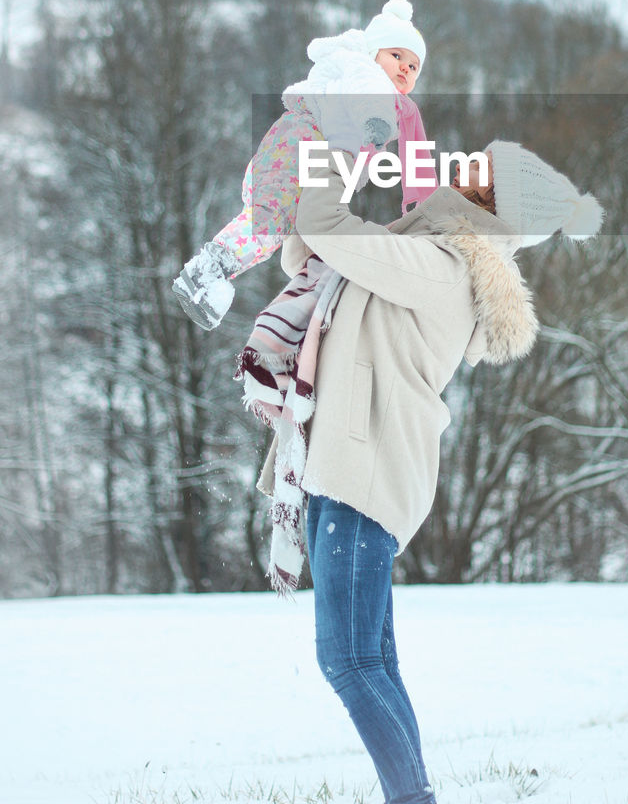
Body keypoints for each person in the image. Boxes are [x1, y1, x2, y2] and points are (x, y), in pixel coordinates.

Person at [241, 135, 603, 804]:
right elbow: (316, 250)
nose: (458, 170)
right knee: (372, 660)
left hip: (364, 474)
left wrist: (334, 149)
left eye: (476, 173)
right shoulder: (422, 254)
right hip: (343, 467)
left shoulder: (440, 267)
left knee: (346, 660)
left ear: (485, 200)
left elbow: (327, 227)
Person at [171, 0, 438, 331]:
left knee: (295, 235)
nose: (404, 68)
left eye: (413, 66)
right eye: (396, 56)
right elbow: (367, 97)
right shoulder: (364, 72)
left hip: (299, 149)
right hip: (301, 141)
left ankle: (303, 305)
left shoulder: (391, 98)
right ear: (373, 53)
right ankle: (206, 272)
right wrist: (376, 124)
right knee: (270, 221)